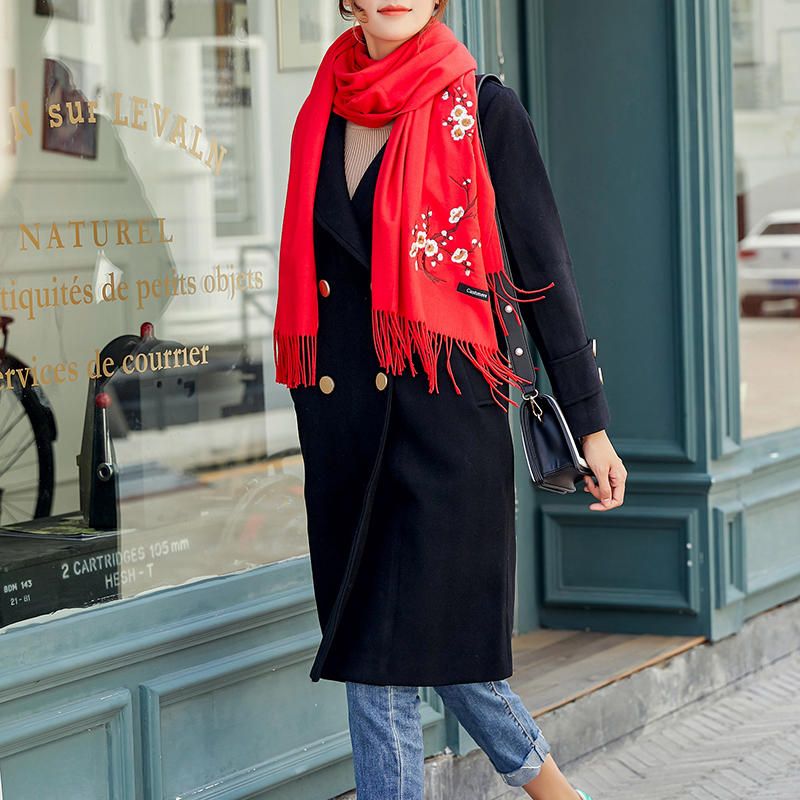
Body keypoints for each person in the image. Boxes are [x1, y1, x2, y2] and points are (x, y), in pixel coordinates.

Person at [273, 2, 628, 798]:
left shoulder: (483, 107)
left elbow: (544, 275)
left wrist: (591, 423)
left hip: (444, 417)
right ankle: (558, 794)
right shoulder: (321, 106)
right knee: (403, 646)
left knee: (390, 654)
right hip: (344, 430)